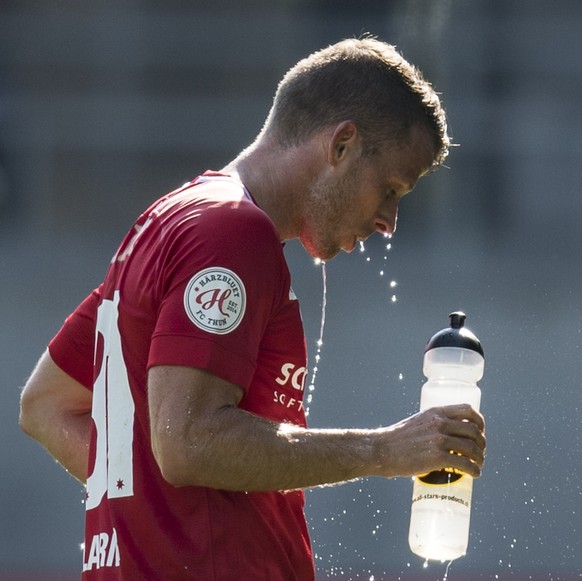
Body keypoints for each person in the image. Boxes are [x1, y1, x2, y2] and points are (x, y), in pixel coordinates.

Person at [20, 37, 486, 580]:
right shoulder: (232, 234)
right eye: (390, 189)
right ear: (341, 147)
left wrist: (154, 522)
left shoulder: (170, 221)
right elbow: (189, 443)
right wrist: (382, 450)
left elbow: (46, 405)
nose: (389, 221)